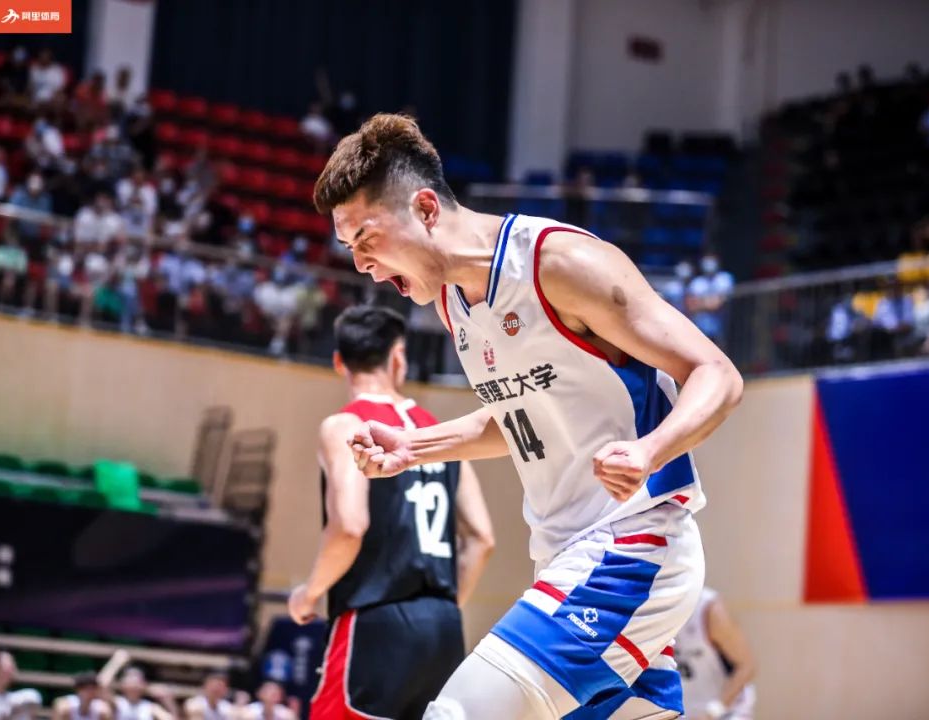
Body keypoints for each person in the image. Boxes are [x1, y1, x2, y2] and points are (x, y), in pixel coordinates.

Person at [315, 114, 743, 719]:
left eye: (365, 238)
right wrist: (414, 447)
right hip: (566, 557)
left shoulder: (559, 262)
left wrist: (651, 450)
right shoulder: (453, 303)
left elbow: (717, 373)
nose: (360, 264)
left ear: (426, 209)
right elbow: (519, 417)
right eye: (349, 248)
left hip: (630, 548)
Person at [288, 306, 495, 719]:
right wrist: (438, 608)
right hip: (443, 628)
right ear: (398, 357)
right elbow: (481, 539)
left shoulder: (346, 425)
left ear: (339, 362)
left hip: (374, 621)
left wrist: (309, 594)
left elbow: (350, 526)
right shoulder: (435, 431)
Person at [673, 587, 756, 720]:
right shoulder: (650, 609)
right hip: (684, 711)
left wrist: (713, 711)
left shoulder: (709, 609)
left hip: (723, 711)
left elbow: (746, 666)